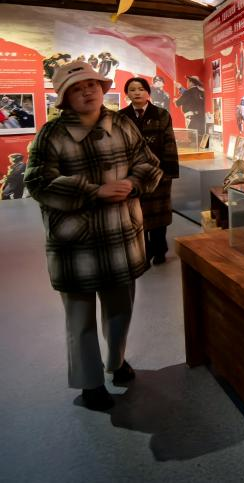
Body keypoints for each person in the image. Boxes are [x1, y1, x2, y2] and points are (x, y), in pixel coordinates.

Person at [24, 61, 162, 411]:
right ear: (64, 97)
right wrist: (93, 191)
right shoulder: (51, 134)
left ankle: (116, 362)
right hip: (76, 242)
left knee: (120, 308)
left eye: (91, 84)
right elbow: (37, 182)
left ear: (102, 88)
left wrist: (132, 183)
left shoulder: (122, 124)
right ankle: (89, 382)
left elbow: (149, 163)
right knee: (79, 316)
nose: (86, 91)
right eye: (76, 87)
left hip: (120, 234)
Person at [121, 77, 179, 265]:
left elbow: (170, 143)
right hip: (133, 175)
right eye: (132, 89)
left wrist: (169, 171)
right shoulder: (121, 117)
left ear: (148, 92)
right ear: (127, 94)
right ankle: (144, 251)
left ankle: (160, 250)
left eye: (141, 89)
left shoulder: (161, 114)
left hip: (159, 172)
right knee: (137, 214)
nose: (137, 93)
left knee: (159, 214)